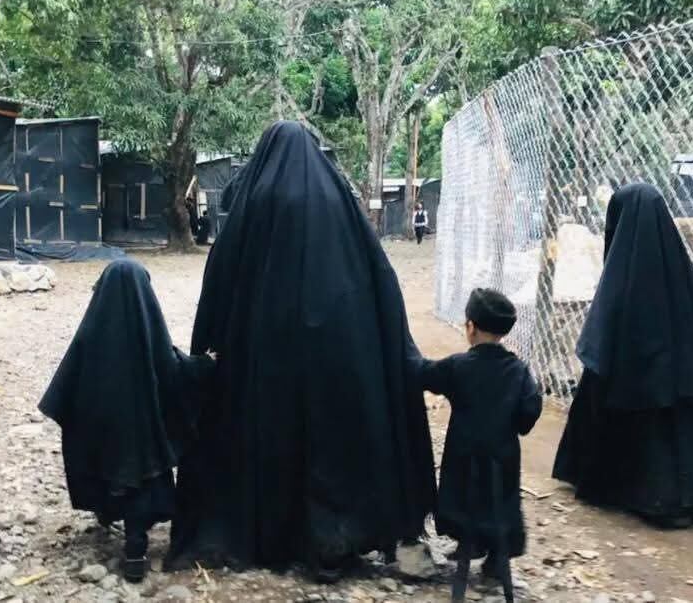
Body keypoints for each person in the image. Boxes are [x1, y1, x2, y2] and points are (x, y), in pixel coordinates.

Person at [167, 121, 436, 579]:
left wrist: (218, 345)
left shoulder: (256, 199)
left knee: (270, 431)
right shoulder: (338, 200)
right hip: (336, 349)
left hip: (263, 353)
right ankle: (337, 533)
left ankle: (270, 531)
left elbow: (223, 279)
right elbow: (377, 279)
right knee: (330, 437)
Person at [553, 183, 693, 528]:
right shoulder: (680, 274)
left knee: (614, 386)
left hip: (632, 392)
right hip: (684, 385)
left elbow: (600, 345)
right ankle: (689, 495)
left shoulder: (621, 274)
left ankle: (642, 492)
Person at [38, 259, 215, 583]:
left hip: (102, 439)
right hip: (141, 440)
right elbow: (172, 370)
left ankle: (105, 511)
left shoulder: (90, 333)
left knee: (107, 472)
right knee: (141, 481)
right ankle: (135, 551)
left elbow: (66, 386)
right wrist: (203, 365)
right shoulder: (150, 334)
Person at [413, 288, 541, 603]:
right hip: (502, 457)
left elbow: (424, 374)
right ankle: (496, 558)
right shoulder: (519, 372)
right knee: (502, 502)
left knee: (462, 498)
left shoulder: (458, 366)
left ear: (470, 327)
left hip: (464, 454)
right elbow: (529, 411)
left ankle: (467, 543)